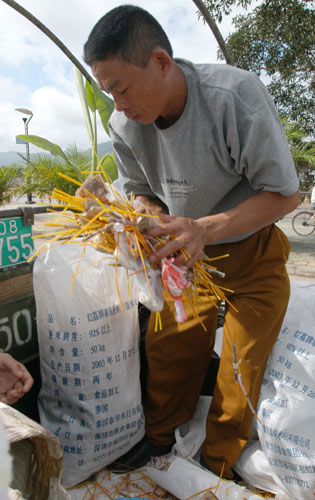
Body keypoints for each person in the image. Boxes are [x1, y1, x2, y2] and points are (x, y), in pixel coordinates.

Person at [83, 5, 300, 479]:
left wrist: (206, 228)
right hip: (184, 256)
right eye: (107, 93)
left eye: (121, 88)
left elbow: (286, 194)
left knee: (240, 368)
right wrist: (148, 218)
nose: (118, 104)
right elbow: (139, 190)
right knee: (168, 348)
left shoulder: (232, 96)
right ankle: (159, 438)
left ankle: (217, 465)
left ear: (161, 61)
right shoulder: (124, 126)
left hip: (253, 250)